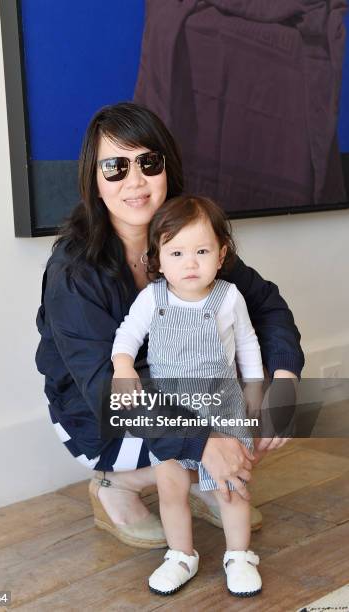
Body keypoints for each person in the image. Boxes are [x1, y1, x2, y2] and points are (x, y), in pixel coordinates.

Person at [35, 101, 304, 551]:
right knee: (210, 438)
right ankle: (115, 484)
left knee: (274, 405)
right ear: (94, 181)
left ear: (168, 168)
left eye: (148, 162)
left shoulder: (191, 238)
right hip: (98, 409)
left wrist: (285, 377)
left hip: (179, 390)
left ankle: (200, 475)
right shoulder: (73, 271)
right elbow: (105, 389)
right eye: (115, 167)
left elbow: (267, 307)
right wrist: (203, 442)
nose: (135, 181)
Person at [111, 195, 264, 596]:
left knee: (230, 485)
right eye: (177, 252)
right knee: (172, 487)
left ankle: (239, 554)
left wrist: (255, 389)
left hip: (222, 406)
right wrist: (124, 366)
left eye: (201, 251)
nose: (190, 263)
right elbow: (126, 334)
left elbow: (247, 343)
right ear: (158, 259)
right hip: (173, 411)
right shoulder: (152, 298)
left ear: (221, 254)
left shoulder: (229, 297)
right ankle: (181, 554)